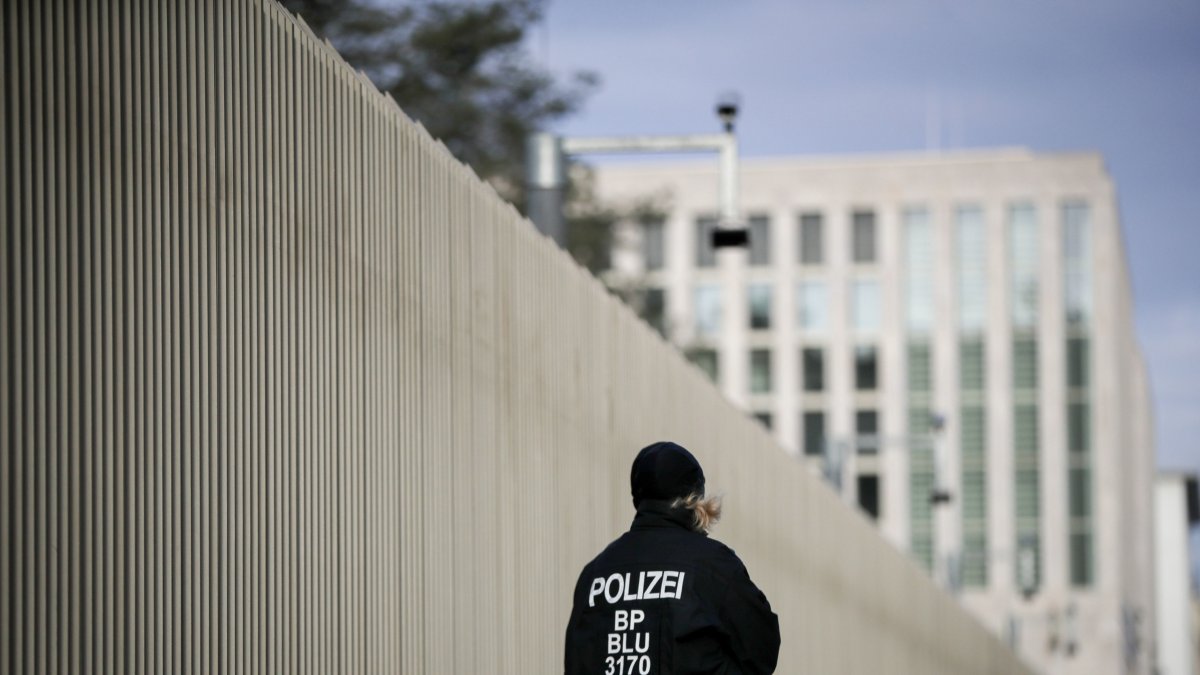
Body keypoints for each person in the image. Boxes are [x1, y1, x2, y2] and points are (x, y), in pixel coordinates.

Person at [564, 441, 780, 674]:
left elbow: (577, 662)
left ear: (638, 498)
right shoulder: (713, 565)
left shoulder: (595, 574)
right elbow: (762, 648)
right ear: (694, 499)